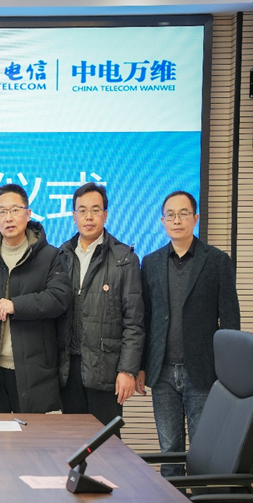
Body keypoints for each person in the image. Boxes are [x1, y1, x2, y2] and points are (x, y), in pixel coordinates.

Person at [137, 190, 240, 477]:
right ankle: (172, 502)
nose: (177, 220)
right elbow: (146, 317)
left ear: (195, 218)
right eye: (170, 215)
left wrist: (228, 371)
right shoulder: (151, 262)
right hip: (162, 373)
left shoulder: (217, 261)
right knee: (169, 449)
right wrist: (142, 366)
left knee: (203, 449)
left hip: (203, 372)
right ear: (162, 221)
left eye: (183, 214)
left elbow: (230, 320)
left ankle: (202, 502)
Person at [0, 183, 71, 414]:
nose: (8, 218)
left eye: (15, 210)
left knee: (30, 437)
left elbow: (59, 297)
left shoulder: (50, 256)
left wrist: (16, 305)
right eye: (2, 211)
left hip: (33, 372)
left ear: (28, 213)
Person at [58, 182, 144, 429]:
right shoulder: (61, 256)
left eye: (95, 210)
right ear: (74, 216)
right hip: (69, 369)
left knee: (107, 445)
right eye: (82, 210)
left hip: (107, 369)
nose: (89, 217)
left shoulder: (124, 259)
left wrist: (128, 370)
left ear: (105, 215)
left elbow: (134, 321)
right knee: (73, 441)